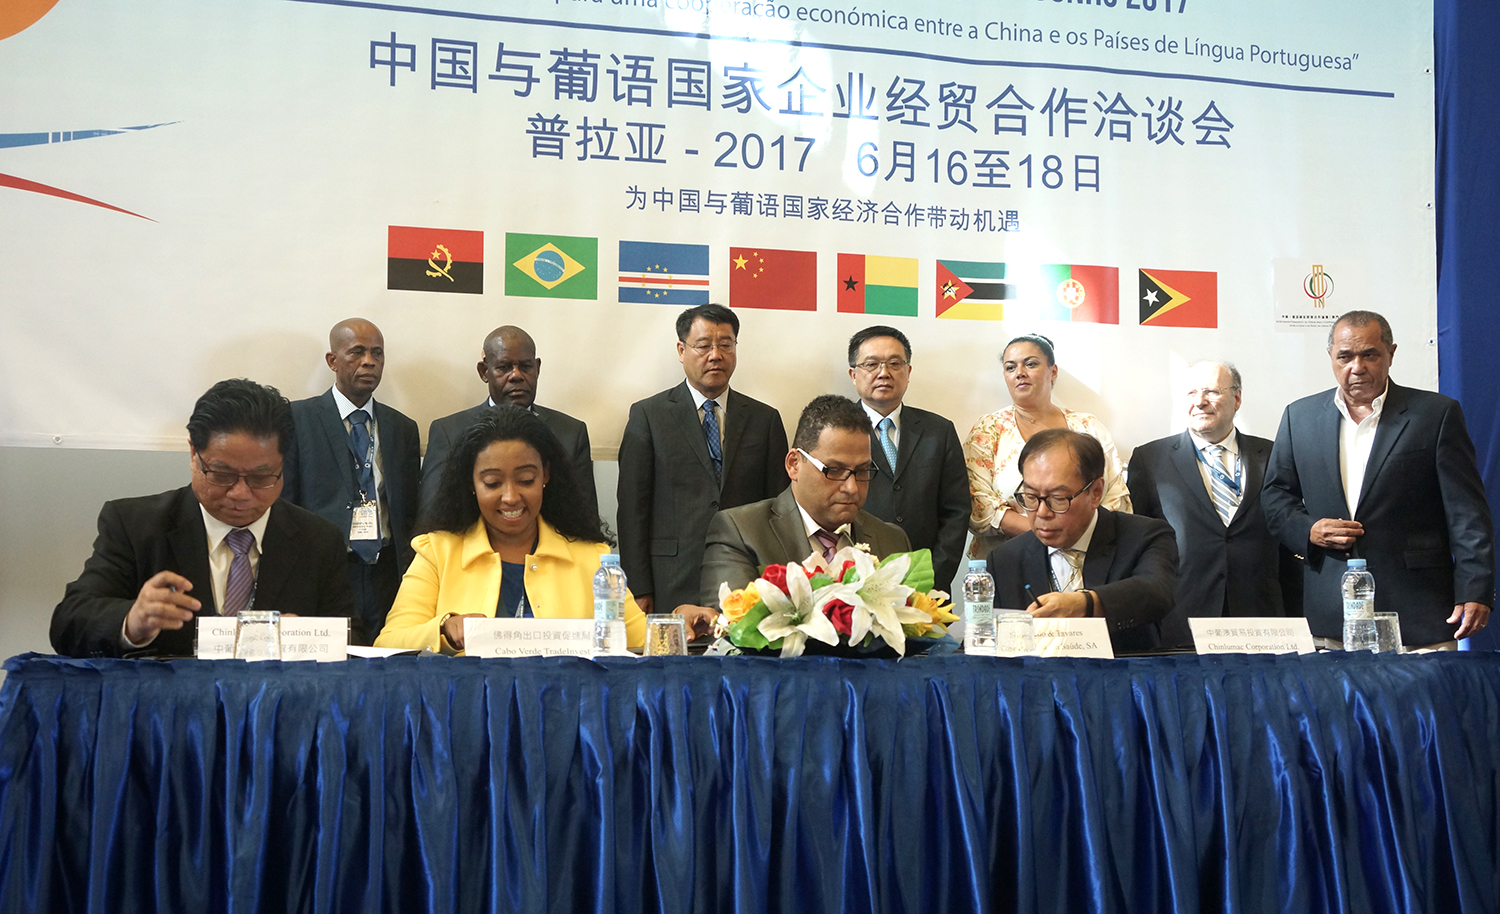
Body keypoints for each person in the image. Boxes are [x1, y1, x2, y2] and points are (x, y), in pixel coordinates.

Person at [51, 379, 358, 657]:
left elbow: (352, 637)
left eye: (261, 477)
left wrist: (305, 638)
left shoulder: (319, 540)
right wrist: (132, 621)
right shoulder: (134, 526)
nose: (240, 493)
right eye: (222, 474)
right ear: (193, 454)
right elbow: (69, 622)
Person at [1263, 310, 1495, 649]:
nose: (1357, 367)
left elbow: (1467, 513)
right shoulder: (1299, 417)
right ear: (1330, 356)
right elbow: (1275, 496)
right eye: (1345, 357)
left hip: (1418, 614)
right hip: (1331, 615)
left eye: (1369, 355)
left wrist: (1476, 589)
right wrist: (1308, 530)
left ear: (1391, 353)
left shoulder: (1436, 415)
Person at [376, 406, 645, 653]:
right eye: (492, 483)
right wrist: (443, 628)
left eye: (526, 480)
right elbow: (388, 643)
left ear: (545, 475)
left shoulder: (591, 558)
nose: (511, 497)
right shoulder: (437, 552)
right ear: (471, 482)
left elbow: (641, 643)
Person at [617, 303, 789, 617]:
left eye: (725, 345)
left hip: (746, 578)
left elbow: (778, 509)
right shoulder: (649, 416)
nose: (715, 355)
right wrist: (638, 587)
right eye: (704, 345)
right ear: (681, 350)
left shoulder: (765, 420)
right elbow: (632, 509)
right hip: (670, 578)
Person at [1127, 361, 1302, 647]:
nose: (1199, 401)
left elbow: (1287, 530)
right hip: (1180, 619)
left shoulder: (1273, 454)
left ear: (1237, 398)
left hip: (1261, 619)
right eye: (1191, 393)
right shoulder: (1150, 459)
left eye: (1211, 391)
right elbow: (1139, 545)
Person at [283, 318, 421, 644]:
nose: (369, 361)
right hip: (327, 571)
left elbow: (409, 509)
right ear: (332, 361)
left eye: (377, 353)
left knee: (393, 656)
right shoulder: (296, 418)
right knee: (334, 659)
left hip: (387, 572)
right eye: (357, 352)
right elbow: (285, 503)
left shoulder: (403, 428)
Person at [700, 395, 911, 601]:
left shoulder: (893, 541)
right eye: (834, 470)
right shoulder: (741, 533)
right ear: (794, 464)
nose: (852, 487)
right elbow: (735, 620)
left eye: (863, 470)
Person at [986, 429, 1177, 655]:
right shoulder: (1006, 559)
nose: (1042, 512)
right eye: (1031, 497)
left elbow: (1156, 591)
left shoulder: (1144, 536)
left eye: (1058, 498)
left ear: (1095, 492)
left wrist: (1083, 604)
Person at [964, 333, 1130, 560]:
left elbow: (1115, 497)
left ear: (1053, 372)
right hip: (1007, 561)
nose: (1019, 372)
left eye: (1030, 364)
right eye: (1010, 367)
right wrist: (1048, 534)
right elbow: (976, 502)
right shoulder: (988, 429)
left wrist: (1077, 537)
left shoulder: (1088, 427)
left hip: (1088, 559)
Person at [421, 325, 596, 518]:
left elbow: (585, 518)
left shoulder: (571, 433)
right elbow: (433, 516)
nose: (516, 376)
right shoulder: (449, 433)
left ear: (537, 368)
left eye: (526, 367)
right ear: (484, 372)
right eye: (504, 368)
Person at [845, 325, 970, 588]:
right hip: (853, 584)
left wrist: (932, 579)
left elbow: (956, 512)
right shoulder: (836, 432)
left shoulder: (939, 431)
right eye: (871, 364)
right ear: (853, 374)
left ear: (908, 372)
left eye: (894, 363)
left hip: (927, 585)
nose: (884, 373)